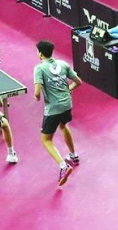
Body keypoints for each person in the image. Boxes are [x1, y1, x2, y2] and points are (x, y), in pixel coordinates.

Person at [33, 40, 83, 187]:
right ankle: (73, 155)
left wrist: (36, 97)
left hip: (53, 108)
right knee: (63, 125)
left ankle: (63, 166)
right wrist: (68, 89)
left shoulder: (39, 68)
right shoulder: (63, 64)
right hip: (67, 104)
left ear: (40, 54)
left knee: (46, 140)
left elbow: (37, 92)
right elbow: (78, 82)